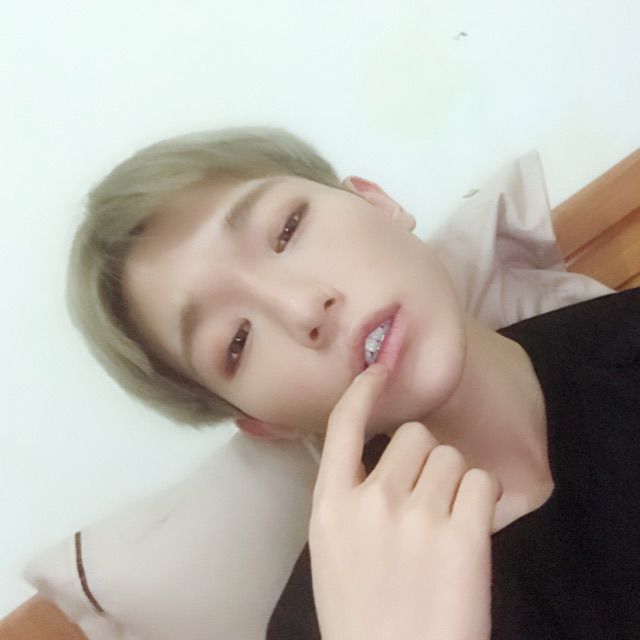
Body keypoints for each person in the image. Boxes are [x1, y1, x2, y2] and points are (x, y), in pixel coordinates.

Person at [68, 127, 640, 639]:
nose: (302, 307)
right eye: (236, 342)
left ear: (376, 201)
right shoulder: (319, 624)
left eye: (287, 229)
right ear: (263, 424)